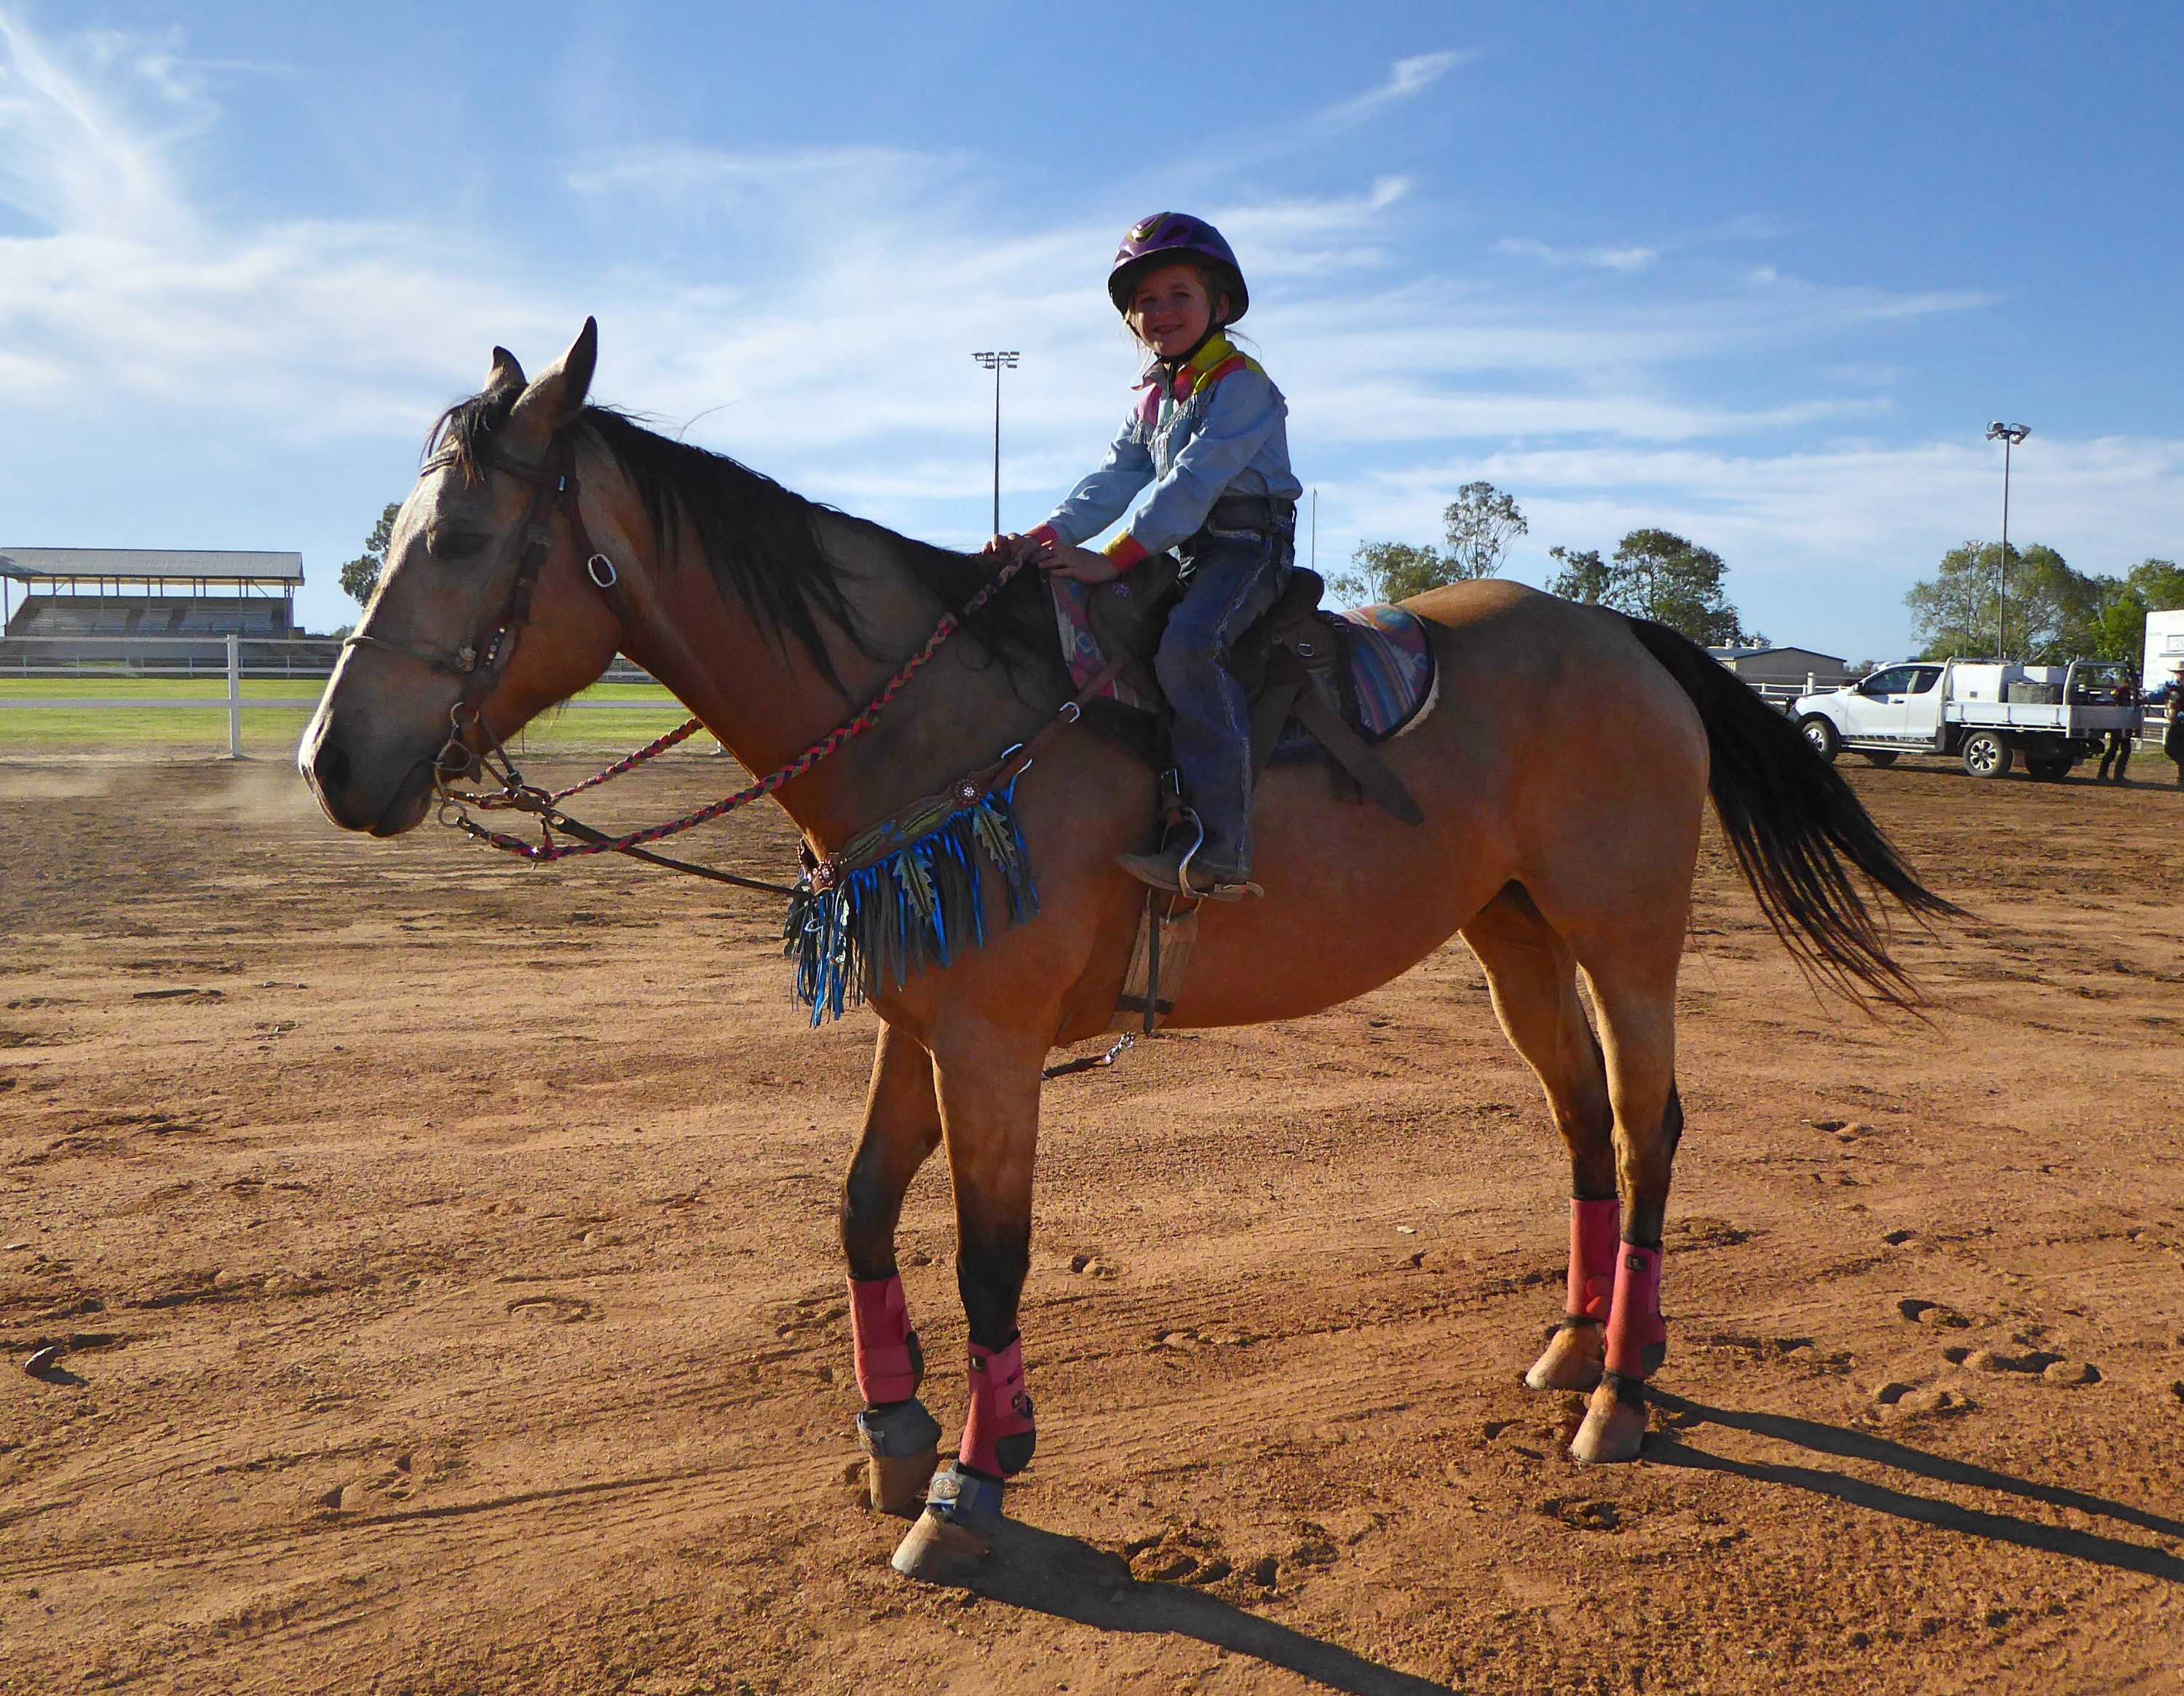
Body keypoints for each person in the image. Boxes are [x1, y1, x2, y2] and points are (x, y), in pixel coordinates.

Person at [985, 213, 1303, 897]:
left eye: (1178, 295)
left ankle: (1221, 845)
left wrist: (1116, 558)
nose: (1160, 312)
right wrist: (1042, 541)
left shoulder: (1241, 384)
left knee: (1190, 646)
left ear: (1218, 305)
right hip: (1187, 552)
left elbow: (1190, 485)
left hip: (1249, 548)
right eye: (1145, 302)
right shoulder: (1155, 399)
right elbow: (1111, 481)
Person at [2096, 679, 2139, 784]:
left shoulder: (2127, 692)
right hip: (2119, 723)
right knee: (2115, 749)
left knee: (2123, 750)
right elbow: (2118, 703)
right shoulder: (2122, 691)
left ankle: (2116, 775)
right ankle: (2106, 774)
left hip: (2123, 723)